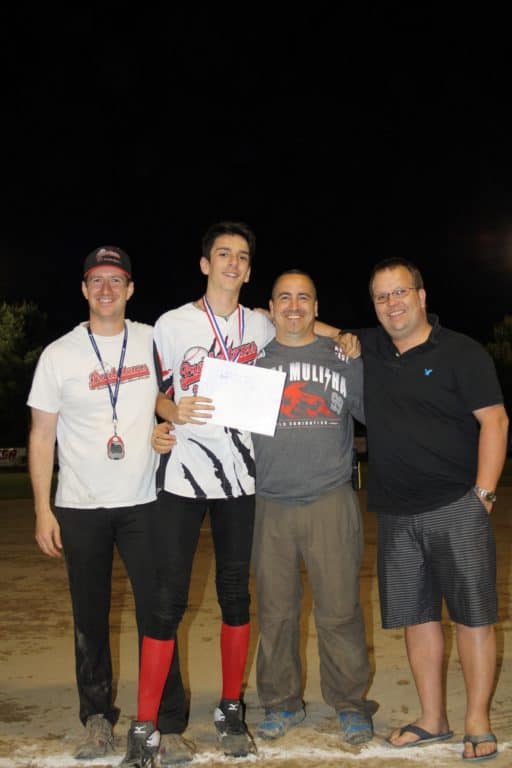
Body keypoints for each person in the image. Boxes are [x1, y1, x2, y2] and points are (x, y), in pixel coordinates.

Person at [122, 222, 350, 765]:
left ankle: (230, 708)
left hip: (243, 479)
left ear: (249, 271)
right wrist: (169, 410)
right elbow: (145, 388)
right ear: (205, 264)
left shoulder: (262, 322)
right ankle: (145, 723)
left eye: (242, 257)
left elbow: (306, 324)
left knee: (234, 594)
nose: (232, 263)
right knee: (166, 600)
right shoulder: (172, 324)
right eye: (222, 254)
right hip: (182, 474)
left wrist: (344, 337)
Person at [27, 247, 191, 765]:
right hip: (79, 505)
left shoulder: (151, 339)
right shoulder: (59, 354)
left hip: (145, 502)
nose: (106, 289)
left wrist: (168, 420)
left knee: (157, 615)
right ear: (83, 289)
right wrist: (41, 510)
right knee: (89, 617)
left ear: (130, 289)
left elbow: (169, 394)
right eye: (96, 280)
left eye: (115, 280)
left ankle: (167, 722)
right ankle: (96, 718)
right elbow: (41, 436)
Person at [359, 258, 509, 762]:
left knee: (473, 618)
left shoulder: (462, 353)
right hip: (396, 514)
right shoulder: (372, 350)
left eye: (400, 292)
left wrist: (483, 496)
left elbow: (495, 421)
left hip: (456, 508)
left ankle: (477, 720)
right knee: (418, 618)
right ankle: (433, 718)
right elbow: (311, 322)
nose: (392, 303)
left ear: (421, 296)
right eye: (381, 296)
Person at [251, 270, 374, 745]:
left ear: (317, 307)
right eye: (285, 298)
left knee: (340, 609)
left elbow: (376, 413)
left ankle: (350, 703)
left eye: (304, 297)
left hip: (331, 498)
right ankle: (281, 703)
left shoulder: (343, 356)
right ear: (271, 306)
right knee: (276, 612)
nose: (295, 306)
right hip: (271, 501)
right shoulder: (254, 363)